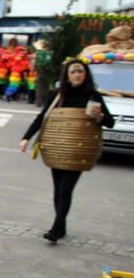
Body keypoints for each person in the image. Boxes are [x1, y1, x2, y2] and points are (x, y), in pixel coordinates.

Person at [18, 60, 114, 243]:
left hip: (79, 149)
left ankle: (56, 227)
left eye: (80, 71)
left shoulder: (92, 95)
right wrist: (26, 138)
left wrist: (99, 117)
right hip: (57, 147)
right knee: (58, 188)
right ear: (67, 75)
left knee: (65, 189)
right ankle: (60, 226)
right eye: (73, 72)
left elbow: (110, 122)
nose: (77, 74)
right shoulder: (58, 95)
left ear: (85, 74)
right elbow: (42, 117)